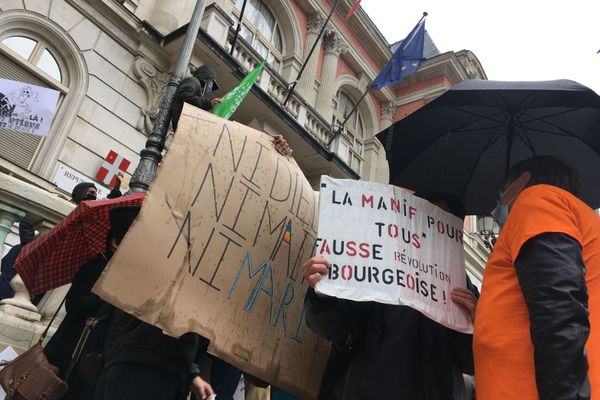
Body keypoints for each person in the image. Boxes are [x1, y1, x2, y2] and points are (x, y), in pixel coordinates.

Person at [302, 192, 478, 400]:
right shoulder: (377, 261)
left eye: (441, 223)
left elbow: (472, 362)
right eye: (427, 218)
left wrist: (479, 324)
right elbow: (334, 328)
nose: (431, 229)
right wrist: (323, 296)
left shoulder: (463, 287)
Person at [473, 155, 599, 400]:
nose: (498, 202)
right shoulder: (577, 217)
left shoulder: (538, 198)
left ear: (523, 180)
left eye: (502, 190)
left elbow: (559, 303)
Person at [44, 207, 136, 399]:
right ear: (115, 243)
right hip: (70, 352)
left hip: (100, 362)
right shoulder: (95, 267)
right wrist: (109, 296)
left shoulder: (132, 280)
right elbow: (75, 304)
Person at [171, 64, 223, 131]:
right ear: (206, 77)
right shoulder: (194, 81)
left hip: (183, 123)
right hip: (181, 121)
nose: (211, 85)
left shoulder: (197, 85)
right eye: (211, 81)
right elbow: (184, 94)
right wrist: (208, 103)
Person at [0, 221, 35, 299]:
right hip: (12, 289)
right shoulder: (31, 251)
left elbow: (3, 263)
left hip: (3, 282)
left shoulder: (16, 247)